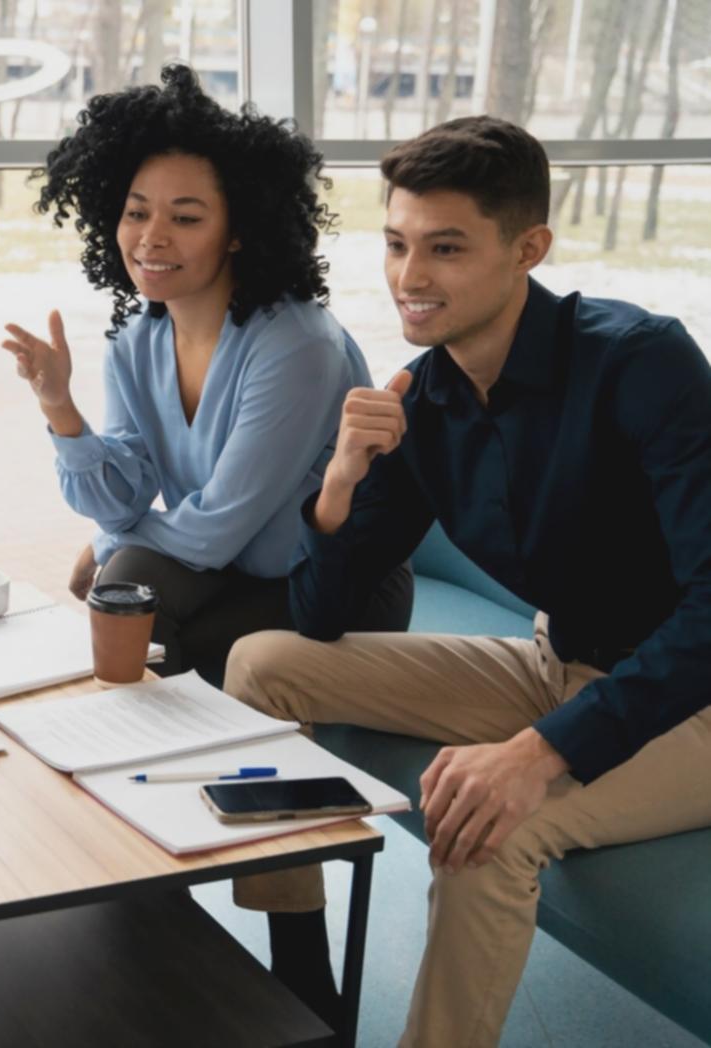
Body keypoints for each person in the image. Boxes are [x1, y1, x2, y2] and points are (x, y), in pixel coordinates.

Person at [223, 116, 711, 1047]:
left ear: (528, 248)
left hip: (690, 702)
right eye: (398, 244)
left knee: (486, 836)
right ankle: (301, 989)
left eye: (445, 248)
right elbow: (317, 616)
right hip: (553, 661)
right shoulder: (425, 395)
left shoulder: (641, 363)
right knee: (261, 662)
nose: (410, 277)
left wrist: (538, 753)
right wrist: (336, 485)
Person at [0, 64, 413, 689]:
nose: (151, 238)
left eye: (186, 219)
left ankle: (146, 762)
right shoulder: (136, 339)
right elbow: (126, 495)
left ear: (240, 232)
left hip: (333, 592)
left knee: (128, 591)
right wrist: (59, 407)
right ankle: (127, 762)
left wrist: (108, 543)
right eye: (136, 213)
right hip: (229, 573)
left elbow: (215, 530)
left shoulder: (296, 347)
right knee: (130, 595)